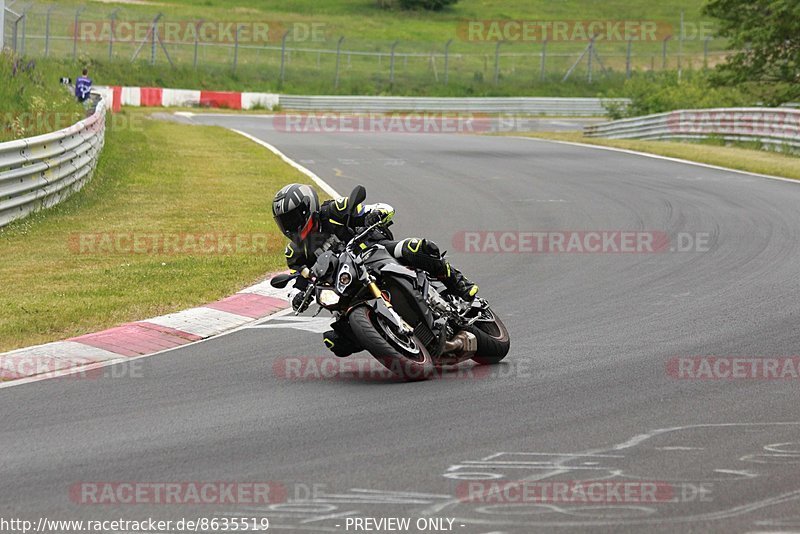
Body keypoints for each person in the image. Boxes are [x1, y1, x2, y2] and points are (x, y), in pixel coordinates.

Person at [272, 183, 479, 356]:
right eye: (285, 222)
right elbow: (297, 282)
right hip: (345, 287)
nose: (290, 226)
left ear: (308, 208)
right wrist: (298, 297)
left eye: (293, 219)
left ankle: (458, 283)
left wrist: (375, 215)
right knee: (337, 342)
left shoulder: (334, 211)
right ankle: (387, 338)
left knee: (416, 248)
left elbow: (381, 208)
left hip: (372, 253)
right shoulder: (296, 253)